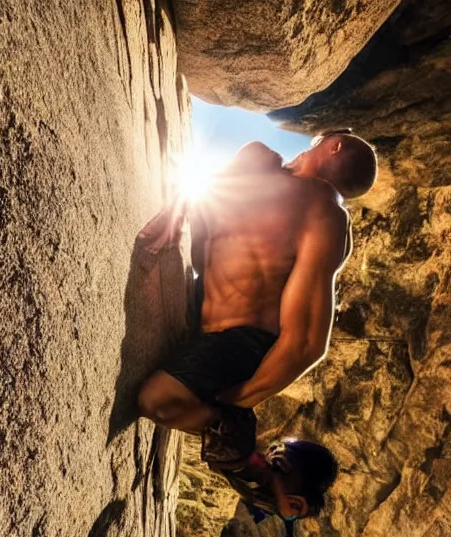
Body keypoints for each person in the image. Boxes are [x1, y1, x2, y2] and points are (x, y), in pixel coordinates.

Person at [137, 128, 377, 466]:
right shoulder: (256, 160)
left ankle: (243, 453)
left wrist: (237, 404)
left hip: (242, 342)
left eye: (319, 140)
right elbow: (201, 197)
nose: (309, 144)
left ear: (334, 146)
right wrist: (174, 212)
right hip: (196, 309)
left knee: (156, 401)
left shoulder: (325, 215)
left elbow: (307, 341)